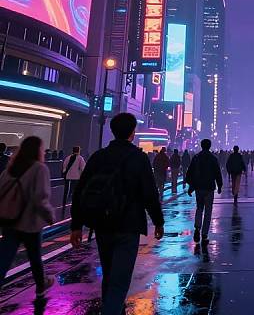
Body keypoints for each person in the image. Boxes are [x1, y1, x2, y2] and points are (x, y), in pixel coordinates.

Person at [70, 113, 164, 315]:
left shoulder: (98, 157)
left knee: (110, 276)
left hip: (102, 224)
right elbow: (149, 193)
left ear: (112, 131)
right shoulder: (139, 158)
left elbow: (80, 191)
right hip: (128, 225)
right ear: (132, 132)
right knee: (119, 281)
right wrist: (158, 221)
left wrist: (76, 225)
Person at [0, 136, 55, 298]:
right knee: (34, 255)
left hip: (9, 219)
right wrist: (50, 216)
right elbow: (41, 197)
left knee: (5, 255)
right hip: (29, 221)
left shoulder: (10, 168)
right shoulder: (40, 168)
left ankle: (41, 283)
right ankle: (41, 285)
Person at [186, 139, 222, 244]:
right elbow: (217, 173)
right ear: (209, 146)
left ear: (201, 146)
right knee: (208, 211)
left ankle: (197, 228)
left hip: (199, 187)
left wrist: (191, 186)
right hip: (209, 188)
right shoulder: (213, 158)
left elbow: (190, 173)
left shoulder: (196, 158)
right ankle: (205, 233)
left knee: (199, 208)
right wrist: (219, 185)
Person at [61, 146, 86, 211]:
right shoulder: (80, 158)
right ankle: (72, 201)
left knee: (66, 190)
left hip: (68, 176)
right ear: (78, 151)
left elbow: (64, 166)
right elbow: (82, 168)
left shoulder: (68, 157)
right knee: (74, 190)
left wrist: (64, 173)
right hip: (76, 177)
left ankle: (64, 202)